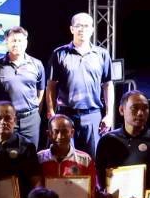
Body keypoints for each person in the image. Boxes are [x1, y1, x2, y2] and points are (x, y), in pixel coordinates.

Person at [46, 12, 113, 156]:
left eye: (86, 26)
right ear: (72, 29)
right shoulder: (59, 54)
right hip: (66, 114)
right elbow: (51, 85)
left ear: (92, 29)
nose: (82, 29)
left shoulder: (102, 54)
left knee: (93, 158)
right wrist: (51, 112)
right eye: (78, 26)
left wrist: (109, 114)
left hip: (93, 115)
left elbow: (108, 85)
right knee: (66, 158)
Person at [38, 114, 100, 198]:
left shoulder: (84, 160)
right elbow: (36, 192)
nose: (60, 136)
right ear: (49, 134)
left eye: (65, 132)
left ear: (72, 133)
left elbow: (91, 195)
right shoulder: (40, 159)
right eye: (56, 132)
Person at [0, 26, 46, 146]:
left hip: (31, 120)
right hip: (6, 120)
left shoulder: (37, 64)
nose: (17, 44)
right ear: (7, 42)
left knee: (30, 153)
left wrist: (34, 112)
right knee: (6, 153)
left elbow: (40, 91)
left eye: (20, 41)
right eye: (13, 41)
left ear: (26, 42)